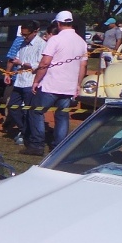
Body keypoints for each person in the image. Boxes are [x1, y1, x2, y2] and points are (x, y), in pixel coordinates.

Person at [22, 11, 88, 156]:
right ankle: (59, 147)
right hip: (68, 86)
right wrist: (77, 84)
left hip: (51, 84)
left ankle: (37, 145)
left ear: (58, 24)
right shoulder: (81, 42)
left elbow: (45, 62)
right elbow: (83, 66)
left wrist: (36, 81)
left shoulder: (55, 40)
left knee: (36, 111)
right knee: (62, 116)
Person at [4, 20, 45, 146]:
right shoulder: (22, 43)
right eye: (23, 34)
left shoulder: (42, 44)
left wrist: (21, 63)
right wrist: (8, 73)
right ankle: (24, 130)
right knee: (12, 106)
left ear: (35, 32)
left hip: (31, 81)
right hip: (19, 81)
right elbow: (14, 58)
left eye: (27, 35)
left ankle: (31, 136)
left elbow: (39, 64)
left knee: (30, 111)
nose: (24, 37)